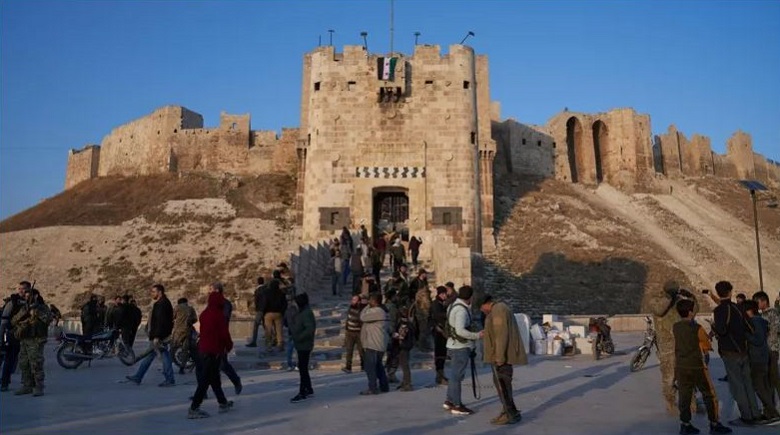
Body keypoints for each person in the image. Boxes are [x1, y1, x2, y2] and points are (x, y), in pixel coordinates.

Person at [673, 299, 732, 434]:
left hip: (681, 366)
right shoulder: (697, 328)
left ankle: (685, 424)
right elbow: (706, 343)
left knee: (684, 396)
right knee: (709, 394)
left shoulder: (675, 327)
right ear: (690, 312)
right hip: (697, 366)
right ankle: (714, 423)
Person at [712, 280, 761, 424]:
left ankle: (746, 416)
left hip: (729, 352)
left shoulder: (719, 310)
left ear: (718, 293)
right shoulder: (738, 308)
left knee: (737, 386)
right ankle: (755, 413)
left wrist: (714, 327)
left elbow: (721, 330)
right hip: (743, 350)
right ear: (730, 292)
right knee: (748, 383)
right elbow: (751, 328)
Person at [647, 280, 694, 414]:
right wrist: (669, 297)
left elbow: (693, 312)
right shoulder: (657, 300)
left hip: (682, 344)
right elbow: (659, 310)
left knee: (687, 376)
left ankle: (691, 403)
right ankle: (671, 404)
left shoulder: (679, 301)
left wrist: (691, 297)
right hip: (667, 346)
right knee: (669, 378)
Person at [479, 294, 527, 425]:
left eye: (481, 308)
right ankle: (510, 411)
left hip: (502, 357)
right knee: (503, 385)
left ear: (486, 304)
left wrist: (499, 357)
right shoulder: (498, 309)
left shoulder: (498, 310)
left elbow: (501, 335)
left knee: (503, 385)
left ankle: (509, 413)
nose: (482, 311)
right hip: (500, 355)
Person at [187, 291, 234, 419]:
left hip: (203, 349)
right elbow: (224, 334)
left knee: (214, 378)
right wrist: (229, 346)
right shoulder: (218, 315)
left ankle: (223, 402)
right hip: (214, 351)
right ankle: (194, 407)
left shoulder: (204, 314)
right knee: (205, 380)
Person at [443, 285, 483, 416]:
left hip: (453, 344)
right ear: (470, 297)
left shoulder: (452, 306)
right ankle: (457, 405)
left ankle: (449, 400)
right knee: (457, 376)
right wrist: (477, 335)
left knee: (454, 375)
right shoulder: (461, 310)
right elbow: (460, 330)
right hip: (460, 346)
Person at [125, 284, 175, 387]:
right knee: (151, 356)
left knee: (164, 356)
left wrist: (157, 336)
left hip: (160, 336)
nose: (151, 294)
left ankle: (169, 379)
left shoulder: (162, 304)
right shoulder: (163, 303)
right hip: (160, 335)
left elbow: (160, 322)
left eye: (153, 292)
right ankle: (138, 376)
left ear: (160, 292)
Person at [743, 300, 780, 422]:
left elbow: (758, 339)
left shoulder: (755, 322)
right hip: (763, 356)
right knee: (765, 385)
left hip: (757, 357)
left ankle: (772, 412)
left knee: (759, 387)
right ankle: (769, 412)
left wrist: (746, 335)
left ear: (749, 311)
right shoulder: (761, 321)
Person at [11, 287, 50, 396]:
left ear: (36, 296)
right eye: (26, 296)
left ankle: (38, 387)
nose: (26, 298)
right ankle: (27, 385)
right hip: (25, 339)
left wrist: (36, 312)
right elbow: (13, 321)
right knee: (24, 363)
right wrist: (24, 312)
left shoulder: (42, 307)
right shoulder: (24, 307)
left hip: (36, 340)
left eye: (29, 296)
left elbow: (48, 319)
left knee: (36, 363)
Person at [211, 282, 242, 395]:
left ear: (217, 291)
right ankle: (202, 393)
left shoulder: (226, 304)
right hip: (210, 337)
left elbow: (224, 320)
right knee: (207, 366)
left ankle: (236, 381)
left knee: (222, 364)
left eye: (211, 290)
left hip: (220, 338)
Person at [1, 281, 30, 392]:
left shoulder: (32, 301)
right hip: (13, 335)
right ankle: (4, 383)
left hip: (28, 336)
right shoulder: (12, 302)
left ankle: (27, 384)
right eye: (19, 288)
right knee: (10, 360)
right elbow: (4, 321)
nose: (21, 291)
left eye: (24, 288)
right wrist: (1, 338)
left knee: (28, 361)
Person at [753, 291, 780, 407]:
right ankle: (770, 406)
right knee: (770, 379)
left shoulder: (771, 313)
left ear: (764, 301)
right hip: (768, 349)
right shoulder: (764, 314)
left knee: (773, 378)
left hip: (771, 349)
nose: (756, 305)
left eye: (757, 302)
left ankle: (771, 407)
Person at [360, 293, 390, 395]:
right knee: (378, 366)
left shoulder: (378, 312)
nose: (369, 302)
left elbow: (362, 317)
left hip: (374, 344)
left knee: (370, 367)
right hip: (377, 343)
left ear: (375, 301)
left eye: (370, 300)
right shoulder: (381, 311)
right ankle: (384, 386)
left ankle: (372, 387)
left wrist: (366, 306)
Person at [290, 292, 316, 403]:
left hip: (304, 345)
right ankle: (309, 389)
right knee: (303, 367)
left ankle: (303, 391)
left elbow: (309, 329)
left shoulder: (306, 313)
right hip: (301, 344)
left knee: (303, 369)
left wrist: (299, 337)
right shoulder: (302, 312)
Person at [392, 303, 415, 392]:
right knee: (404, 364)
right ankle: (405, 381)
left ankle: (407, 383)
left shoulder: (404, 323)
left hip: (403, 346)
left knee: (404, 365)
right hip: (405, 346)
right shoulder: (408, 322)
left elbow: (402, 335)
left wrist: (394, 335)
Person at [262, 271, 288, 352]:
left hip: (268, 313)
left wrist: (263, 312)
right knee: (279, 330)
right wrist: (282, 312)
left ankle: (269, 346)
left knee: (268, 331)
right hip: (278, 313)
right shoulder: (281, 293)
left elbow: (264, 303)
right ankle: (280, 345)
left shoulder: (266, 293)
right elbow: (285, 303)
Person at [173, 297, 198, 375]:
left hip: (178, 331)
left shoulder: (177, 308)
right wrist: (189, 322)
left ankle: (167, 367)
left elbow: (172, 317)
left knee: (172, 349)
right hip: (187, 331)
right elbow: (195, 319)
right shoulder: (191, 308)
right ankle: (182, 368)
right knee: (185, 350)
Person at [430, 286, 450, 385]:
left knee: (442, 353)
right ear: (440, 294)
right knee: (439, 353)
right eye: (444, 294)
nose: (445, 295)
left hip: (442, 330)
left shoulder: (442, 303)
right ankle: (440, 376)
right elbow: (438, 315)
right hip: (438, 331)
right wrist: (449, 314)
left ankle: (440, 375)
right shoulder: (436, 304)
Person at [342, 295, 365, 374]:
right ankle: (348, 367)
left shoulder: (362, 309)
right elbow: (348, 319)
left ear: (359, 301)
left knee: (361, 350)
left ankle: (364, 366)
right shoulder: (350, 308)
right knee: (349, 350)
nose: (353, 301)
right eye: (352, 299)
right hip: (350, 332)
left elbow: (361, 319)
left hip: (358, 332)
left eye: (355, 300)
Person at [413, 273, 432, 352]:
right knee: (423, 331)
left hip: (420, 315)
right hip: (423, 315)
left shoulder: (419, 294)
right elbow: (427, 304)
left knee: (423, 331)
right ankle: (422, 346)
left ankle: (423, 345)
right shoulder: (424, 294)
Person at [248, 277, 267, 347]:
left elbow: (256, 301)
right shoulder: (267, 289)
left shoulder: (258, 290)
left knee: (256, 325)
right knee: (266, 325)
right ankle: (271, 340)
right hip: (266, 310)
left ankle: (254, 342)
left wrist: (256, 308)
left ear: (258, 282)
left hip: (260, 310)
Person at [283, 291, 299, 371]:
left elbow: (285, 322)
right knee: (297, 349)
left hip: (290, 331)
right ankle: (297, 364)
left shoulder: (287, 311)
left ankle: (289, 364)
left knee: (289, 349)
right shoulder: (297, 310)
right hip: (297, 331)